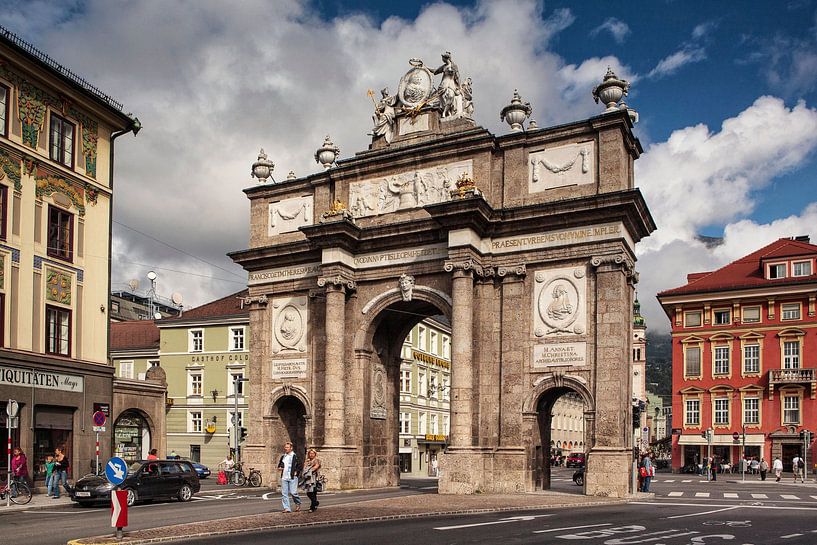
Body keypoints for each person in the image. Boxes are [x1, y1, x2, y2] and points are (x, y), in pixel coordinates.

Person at [277, 442, 302, 513]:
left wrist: (296, 472)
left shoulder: (295, 456)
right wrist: (280, 467)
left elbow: (300, 465)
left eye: (287, 447)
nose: (286, 448)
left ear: (291, 448)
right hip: (284, 477)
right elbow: (280, 465)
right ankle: (287, 508)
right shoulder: (283, 456)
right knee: (284, 493)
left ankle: (298, 503)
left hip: (292, 477)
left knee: (293, 492)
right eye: (285, 447)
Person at [301, 448, 322, 513]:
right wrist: (305, 469)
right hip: (308, 478)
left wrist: (308, 470)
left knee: (312, 492)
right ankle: (315, 503)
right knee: (309, 493)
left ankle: (312, 507)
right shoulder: (307, 461)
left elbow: (315, 467)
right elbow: (304, 468)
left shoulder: (317, 460)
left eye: (313, 453)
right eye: (310, 453)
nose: (311, 455)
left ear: (315, 454)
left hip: (314, 478)